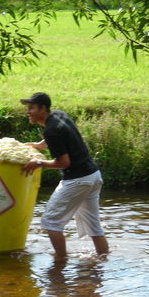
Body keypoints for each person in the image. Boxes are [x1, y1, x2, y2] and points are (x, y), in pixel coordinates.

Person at [20, 92, 109, 261]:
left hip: (77, 180)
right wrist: (40, 145)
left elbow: (63, 163)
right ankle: (103, 261)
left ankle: (60, 262)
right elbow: (64, 135)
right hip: (93, 176)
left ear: (43, 108)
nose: (28, 112)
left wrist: (39, 163)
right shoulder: (59, 115)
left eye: (31, 108)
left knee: (50, 221)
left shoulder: (51, 130)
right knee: (94, 227)